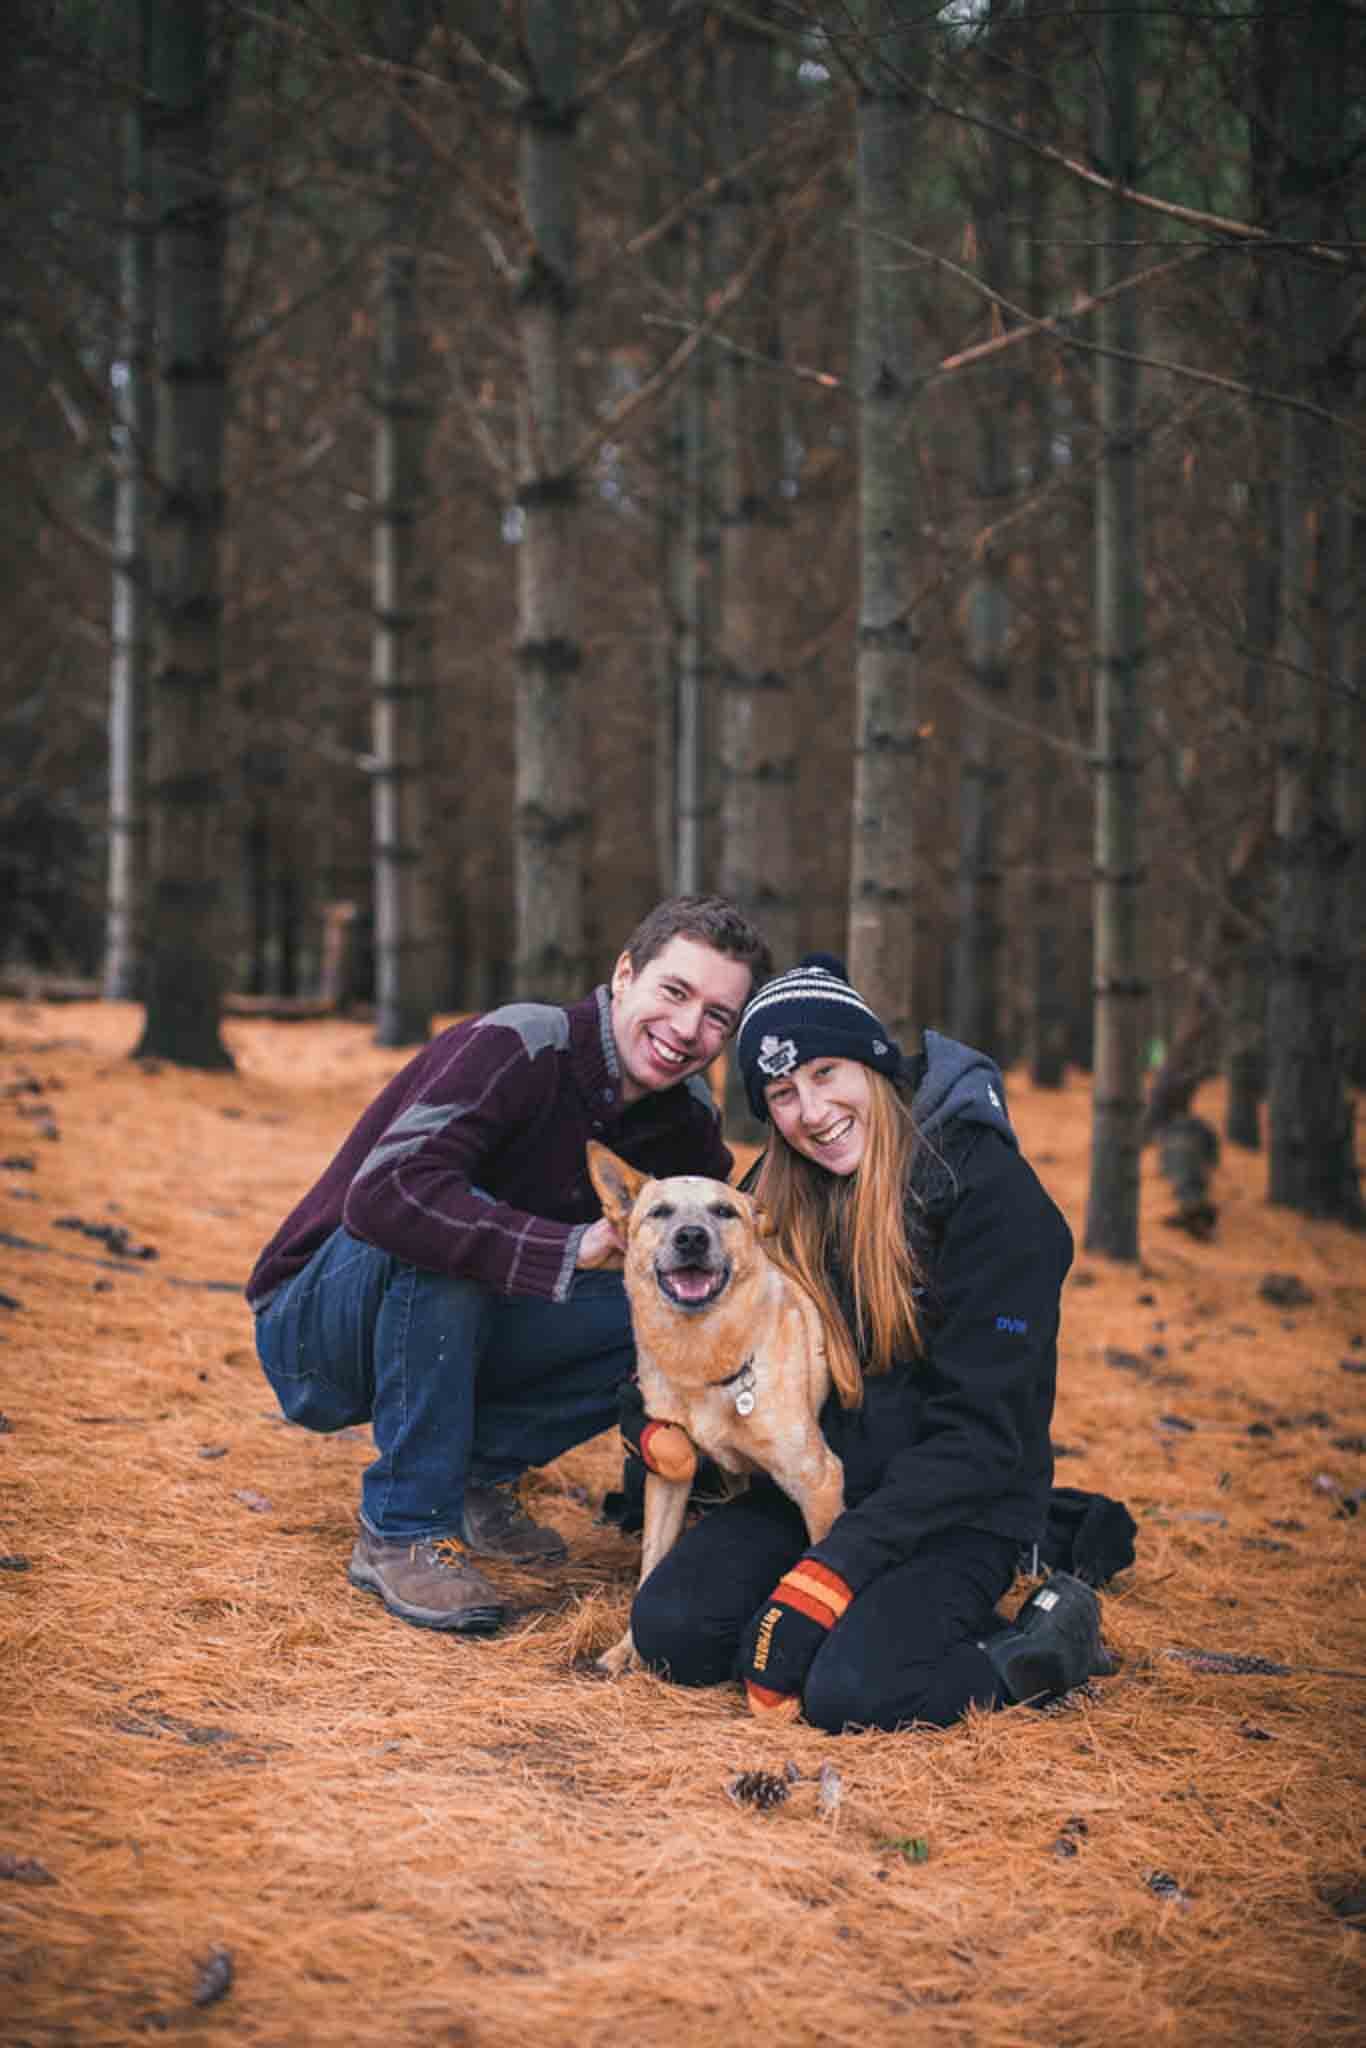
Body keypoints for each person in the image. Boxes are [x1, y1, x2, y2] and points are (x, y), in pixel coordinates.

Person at [246, 896, 772, 1637]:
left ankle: (473, 1474)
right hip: (317, 1333)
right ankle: (402, 1528)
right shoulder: (519, 1044)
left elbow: (718, 1263)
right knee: (447, 1232)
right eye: (675, 992)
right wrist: (570, 1248)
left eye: (718, 1015)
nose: (688, 1029)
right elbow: (387, 1196)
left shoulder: (684, 1118)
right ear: (625, 975)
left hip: (463, 1333)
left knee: (674, 1302)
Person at [624, 954, 1117, 1732]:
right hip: (824, 1483)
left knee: (853, 1691)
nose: (812, 1111)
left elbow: (985, 1439)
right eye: (783, 1094)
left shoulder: (992, 1199)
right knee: (673, 1631)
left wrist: (836, 1567)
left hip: (959, 1506)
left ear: (875, 1064)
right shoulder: (777, 1191)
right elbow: (698, 1317)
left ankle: (1042, 1651)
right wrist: (647, 1416)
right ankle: (807, 1619)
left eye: (826, 1072)